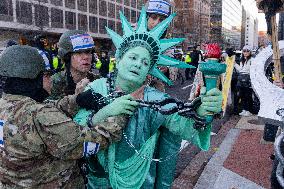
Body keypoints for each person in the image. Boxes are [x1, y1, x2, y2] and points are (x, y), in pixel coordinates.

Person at [73, 8, 223, 188]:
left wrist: (201, 110)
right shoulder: (95, 88)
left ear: (148, 71)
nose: (138, 64)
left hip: (140, 181)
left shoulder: (155, 99)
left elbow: (182, 122)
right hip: (97, 181)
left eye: (145, 62)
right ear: (119, 59)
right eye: (133, 57)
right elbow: (74, 132)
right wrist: (104, 112)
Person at [0, 45, 136, 188]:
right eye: (46, 75)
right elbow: (93, 141)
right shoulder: (40, 115)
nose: (51, 80)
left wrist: (77, 100)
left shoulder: (6, 105)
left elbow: (49, 107)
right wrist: (119, 112)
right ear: (32, 79)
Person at [50, 30, 97, 99]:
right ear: (67, 57)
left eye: (88, 52)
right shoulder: (54, 82)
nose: (86, 57)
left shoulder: (97, 81)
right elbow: (48, 107)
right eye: (79, 53)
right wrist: (76, 99)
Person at [235, 45, 253, 116]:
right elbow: (240, 70)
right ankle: (244, 109)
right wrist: (235, 64)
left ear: (250, 52)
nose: (245, 52)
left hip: (248, 79)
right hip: (241, 79)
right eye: (244, 51)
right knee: (242, 95)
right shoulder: (242, 59)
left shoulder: (252, 60)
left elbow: (250, 70)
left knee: (247, 95)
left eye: (247, 51)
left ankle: (248, 110)